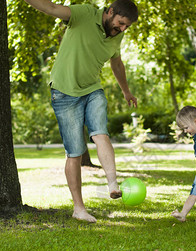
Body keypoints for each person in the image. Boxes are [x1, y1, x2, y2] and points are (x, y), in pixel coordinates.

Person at [24, 0, 139, 223]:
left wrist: (126, 92)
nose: (122, 29)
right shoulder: (84, 13)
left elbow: (117, 64)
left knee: (100, 133)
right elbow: (52, 9)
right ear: (110, 12)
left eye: (127, 26)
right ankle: (79, 208)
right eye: (121, 23)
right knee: (75, 152)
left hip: (92, 89)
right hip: (64, 91)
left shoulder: (117, 35)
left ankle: (113, 185)